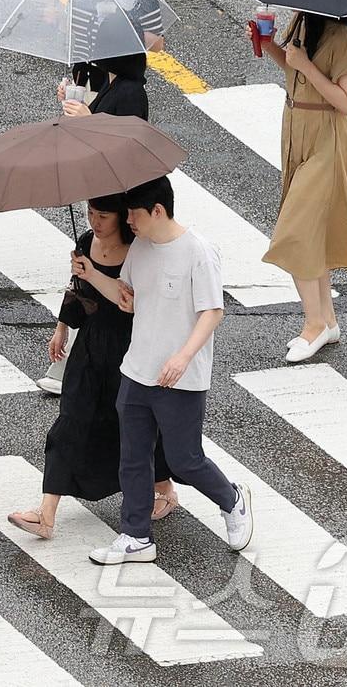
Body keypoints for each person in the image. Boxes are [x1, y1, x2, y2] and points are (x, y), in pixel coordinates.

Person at [83, 177, 253, 565]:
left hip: (181, 378)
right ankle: (136, 535)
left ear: (157, 210)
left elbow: (212, 311)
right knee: (133, 457)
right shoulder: (140, 249)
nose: (129, 222)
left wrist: (183, 357)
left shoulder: (199, 252)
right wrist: (91, 274)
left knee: (184, 460)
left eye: (134, 215)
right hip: (137, 370)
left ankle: (232, 499)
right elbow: (127, 301)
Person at [7, 197, 178, 538]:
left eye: (103, 216)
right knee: (70, 421)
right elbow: (76, 289)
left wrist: (93, 272)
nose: (96, 222)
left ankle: (165, 487)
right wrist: (62, 327)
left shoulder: (138, 250)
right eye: (91, 214)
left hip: (129, 347)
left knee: (130, 423)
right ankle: (46, 512)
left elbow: (130, 300)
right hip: (90, 346)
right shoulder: (85, 242)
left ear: (120, 216)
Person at [257, 12, 347, 362]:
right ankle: (327, 321)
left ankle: (314, 324)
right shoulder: (304, 22)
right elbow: (293, 68)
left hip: (328, 138)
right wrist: (269, 45)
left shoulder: (344, 39)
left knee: (296, 232)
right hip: (297, 128)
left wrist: (306, 65)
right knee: (312, 232)